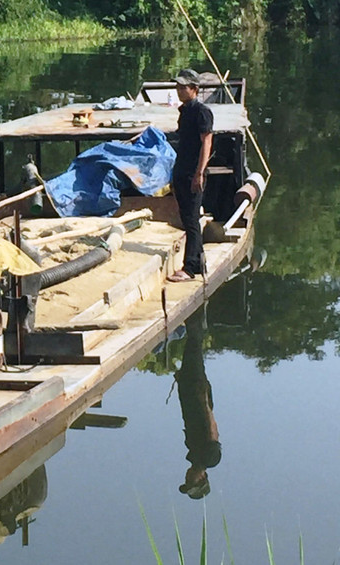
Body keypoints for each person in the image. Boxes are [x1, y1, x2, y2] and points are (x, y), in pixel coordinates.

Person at [168, 69, 214, 283]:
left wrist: (199, 173)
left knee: (192, 220)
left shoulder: (201, 112)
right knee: (186, 217)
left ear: (194, 89)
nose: (178, 90)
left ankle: (190, 268)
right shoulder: (184, 111)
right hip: (182, 169)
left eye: (183, 87)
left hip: (193, 172)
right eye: (177, 87)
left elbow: (207, 141)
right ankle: (198, 258)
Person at [175, 307, 221, 500]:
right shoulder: (209, 460)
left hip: (188, 395)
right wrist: (204, 399)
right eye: (191, 482)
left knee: (190, 351)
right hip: (197, 394)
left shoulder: (192, 454)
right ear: (201, 478)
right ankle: (196, 310)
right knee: (194, 347)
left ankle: (194, 313)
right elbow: (212, 431)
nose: (188, 478)